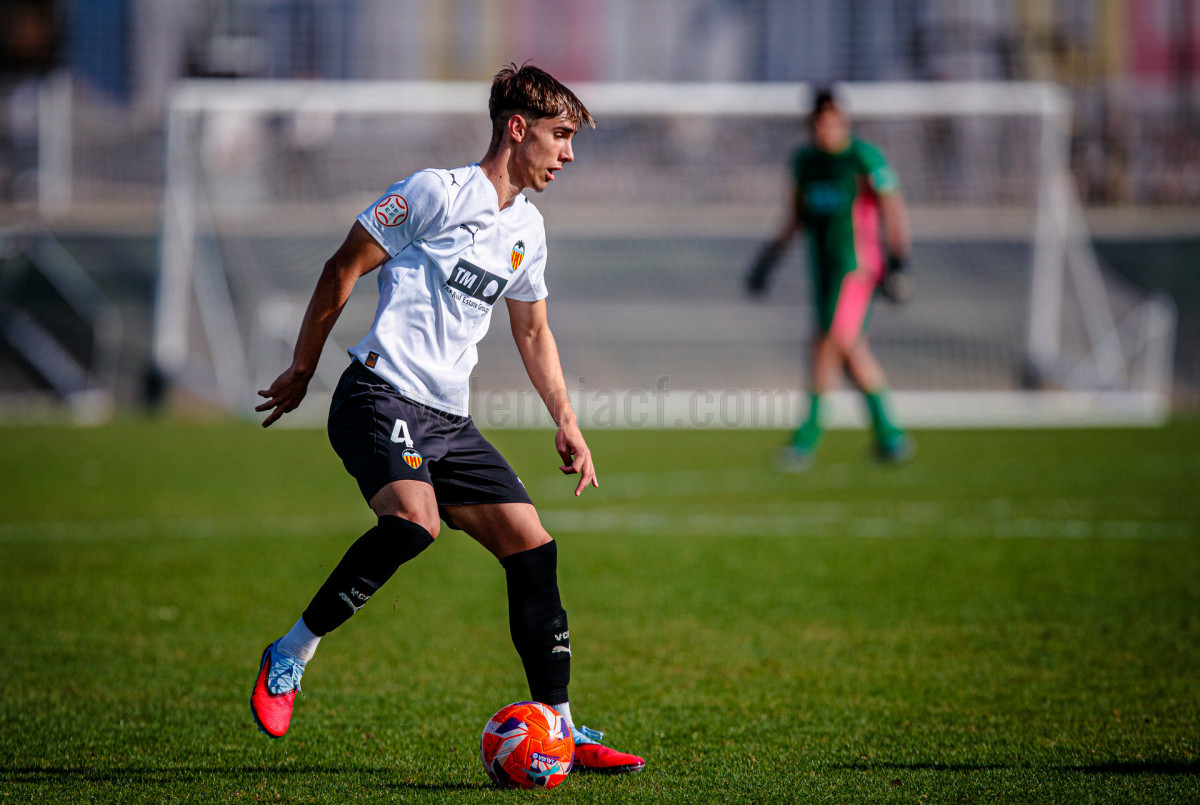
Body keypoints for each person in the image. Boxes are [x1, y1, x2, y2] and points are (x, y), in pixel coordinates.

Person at [249, 63, 645, 775]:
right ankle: (291, 652)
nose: (568, 154)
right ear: (517, 128)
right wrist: (304, 368)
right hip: (377, 394)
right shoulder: (435, 192)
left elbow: (533, 330)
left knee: (533, 547)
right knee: (414, 523)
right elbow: (343, 267)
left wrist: (566, 419)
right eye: (560, 135)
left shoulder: (528, 229)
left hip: (448, 421)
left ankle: (558, 727)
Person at [746, 88, 914, 470]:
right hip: (822, 269)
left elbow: (893, 208)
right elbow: (794, 218)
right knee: (850, 350)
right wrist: (768, 261)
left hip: (857, 267)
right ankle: (890, 436)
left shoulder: (862, 158)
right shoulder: (805, 162)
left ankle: (805, 440)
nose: (828, 129)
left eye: (835, 121)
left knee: (827, 345)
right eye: (822, 122)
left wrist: (900, 262)